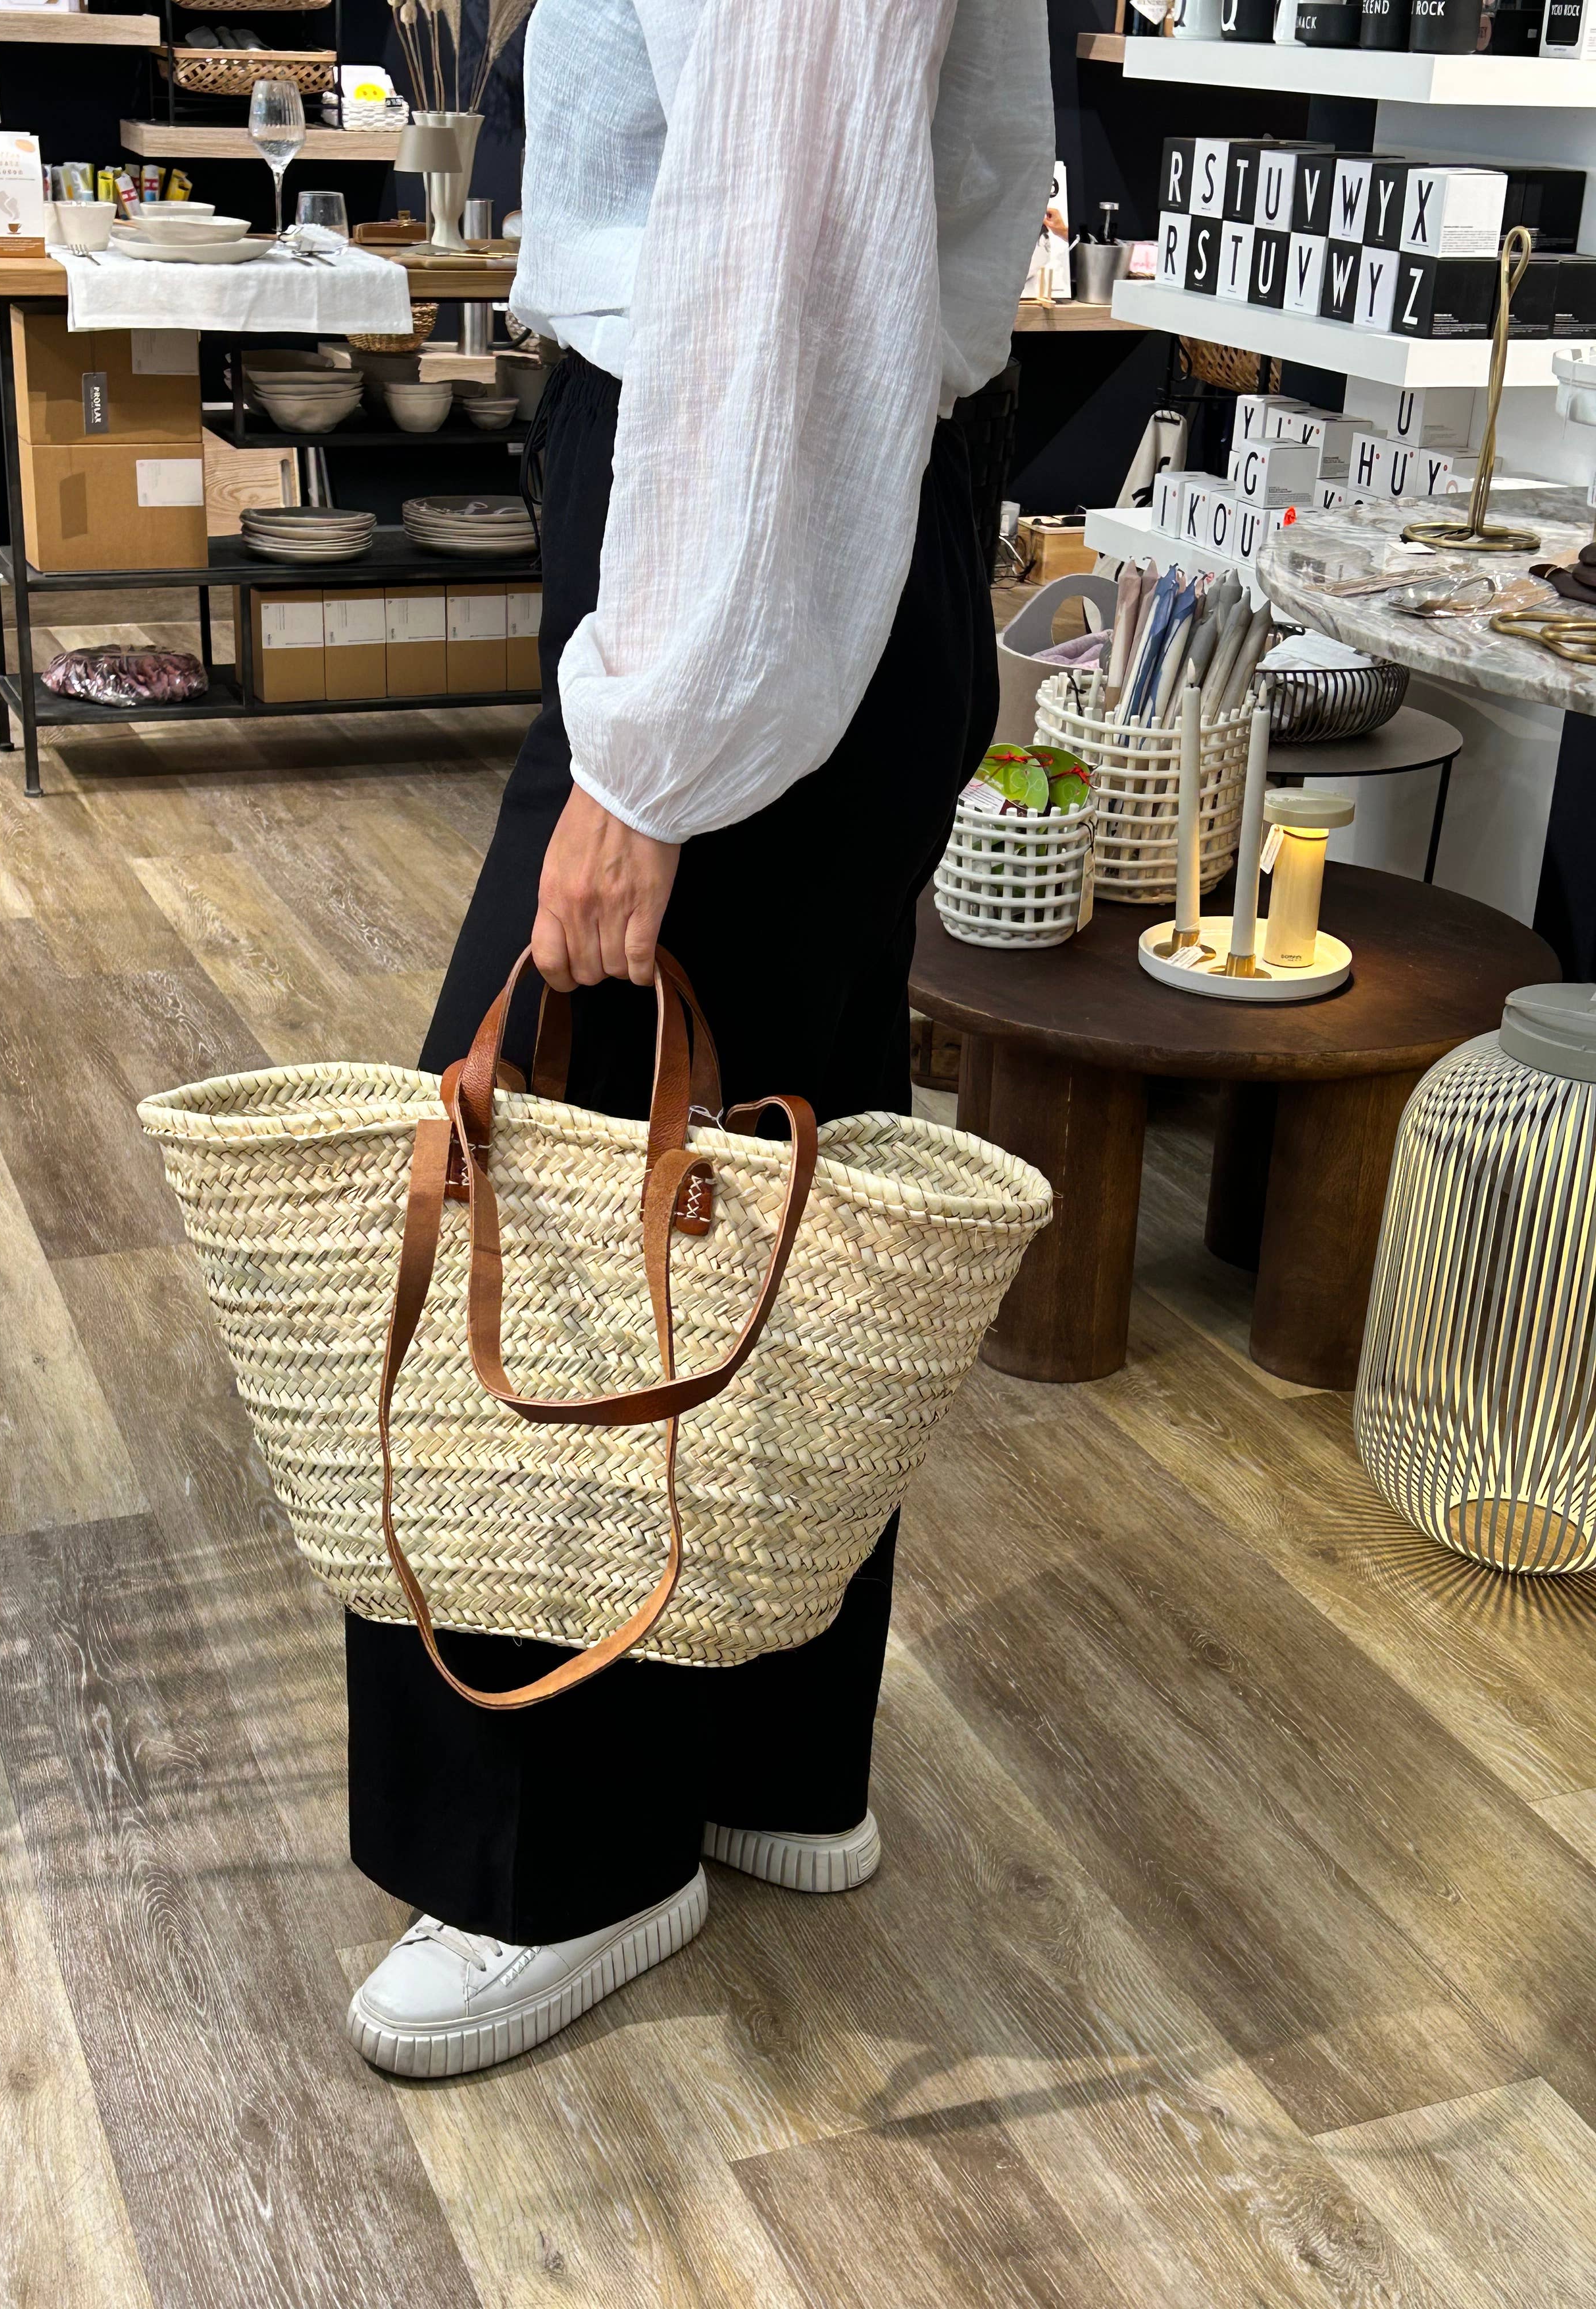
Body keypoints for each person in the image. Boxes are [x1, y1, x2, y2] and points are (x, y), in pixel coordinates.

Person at [346, 0, 1051, 2079]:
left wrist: (650, 759)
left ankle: (561, 1862)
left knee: (547, 1183)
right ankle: (767, 1748)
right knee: (775, 1163)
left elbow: (781, 244)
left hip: (756, 518)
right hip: (847, 510)